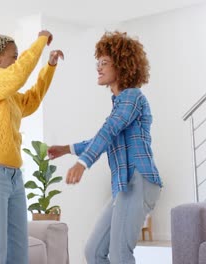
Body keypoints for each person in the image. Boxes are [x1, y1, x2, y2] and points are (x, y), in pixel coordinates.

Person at [47, 31, 162, 264]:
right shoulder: (119, 103)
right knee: (94, 251)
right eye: (97, 63)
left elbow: (109, 130)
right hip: (124, 185)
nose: (98, 68)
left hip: (139, 181)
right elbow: (106, 136)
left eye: (104, 63)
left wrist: (82, 162)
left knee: (120, 254)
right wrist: (67, 148)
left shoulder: (132, 97)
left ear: (122, 65)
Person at [0, 31, 64, 264]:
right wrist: (40, 42)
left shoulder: (7, 95)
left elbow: (31, 100)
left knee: (18, 250)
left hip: (12, 176)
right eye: (13, 57)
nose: (16, 62)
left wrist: (49, 67)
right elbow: (18, 76)